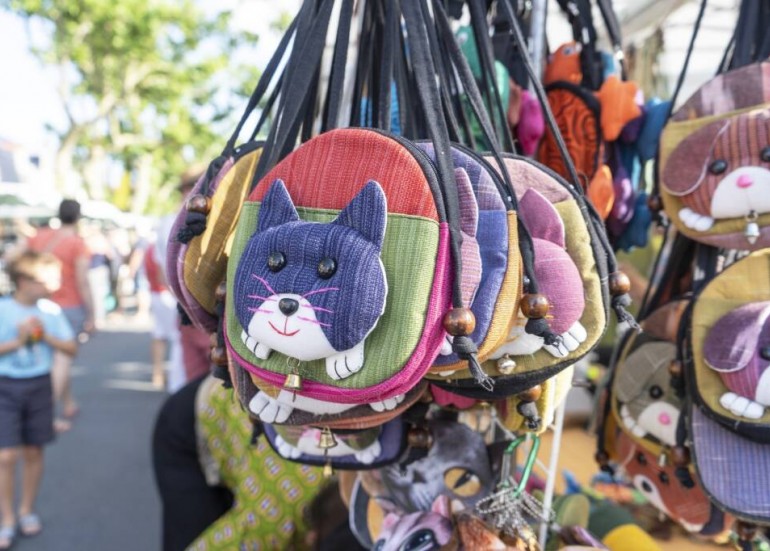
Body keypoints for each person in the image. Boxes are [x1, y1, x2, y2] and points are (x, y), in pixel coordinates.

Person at [0, 251, 77, 549]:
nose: (50, 288)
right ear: (24, 281)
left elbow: (70, 350)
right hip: (5, 385)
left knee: (34, 451)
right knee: (6, 456)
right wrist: (18, 342)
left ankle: (25, 510)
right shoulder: (4, 309)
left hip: (38, 385)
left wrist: (43, 337)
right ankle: (6, 518)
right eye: (44, 282)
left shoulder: (51, 311)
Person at [26, 199, 93, 431]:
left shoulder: (40, 236)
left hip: (38, 303)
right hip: (69, 305)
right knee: (62, 358)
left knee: (46, 356)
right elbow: (83, 280)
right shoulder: (77, 243)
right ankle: (44, 413)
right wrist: (92, 313)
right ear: (77, 217)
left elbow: (18, 258)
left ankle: (67, 402)